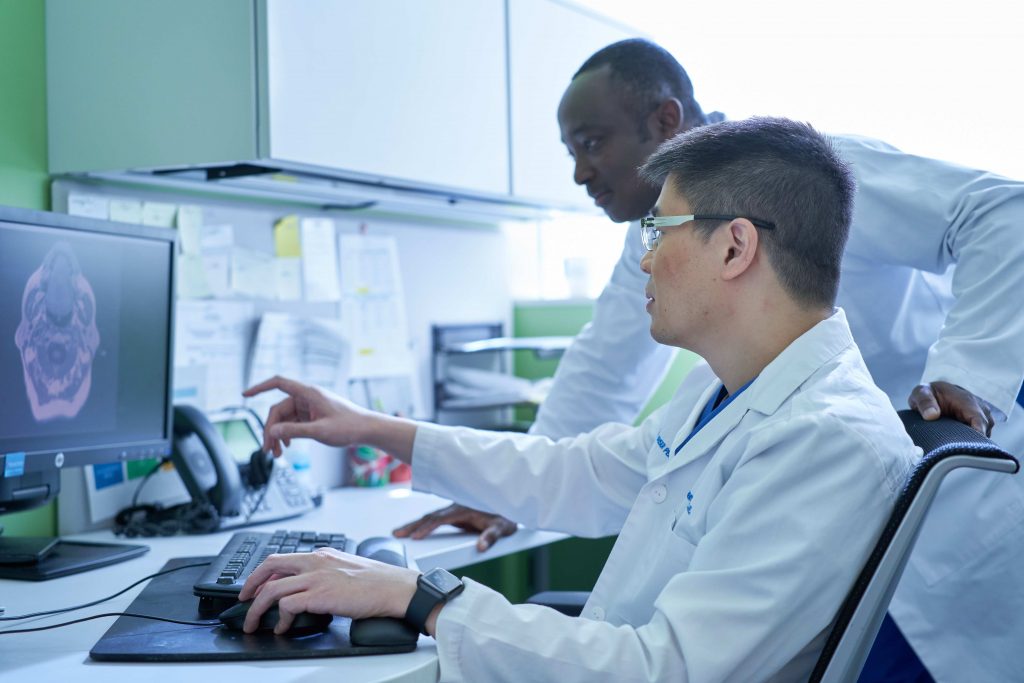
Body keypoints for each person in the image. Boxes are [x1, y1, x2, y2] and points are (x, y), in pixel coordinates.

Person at [395, 39, 1024, 682]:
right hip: (838, 500)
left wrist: (966, 376)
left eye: (591, 142)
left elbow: (1006, 211)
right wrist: (512, 496)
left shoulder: (806, 179)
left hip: (936, 492)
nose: (581, 173)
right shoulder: (675, 258)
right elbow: (600, 375)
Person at [240, 117, 917, 682]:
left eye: (658, 232)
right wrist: (367, 426)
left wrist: (420, 594)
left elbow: (668, 669)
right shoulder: (732, 391)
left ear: (736, 245)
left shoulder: (823, 438)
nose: (645, 260)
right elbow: (576, 471)